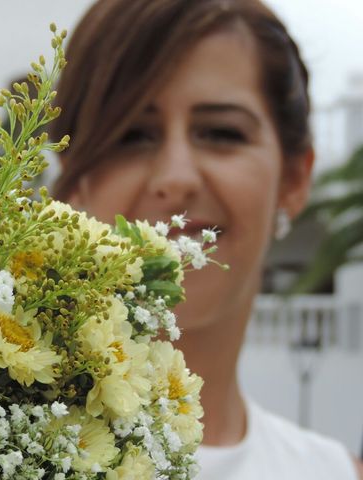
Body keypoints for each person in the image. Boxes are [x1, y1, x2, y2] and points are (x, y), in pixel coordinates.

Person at [50, 0, 363, 478]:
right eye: (132, 135)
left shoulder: (332, 472)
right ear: (73, 185)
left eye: (221, 132)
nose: (176, 178)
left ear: (294, 180)